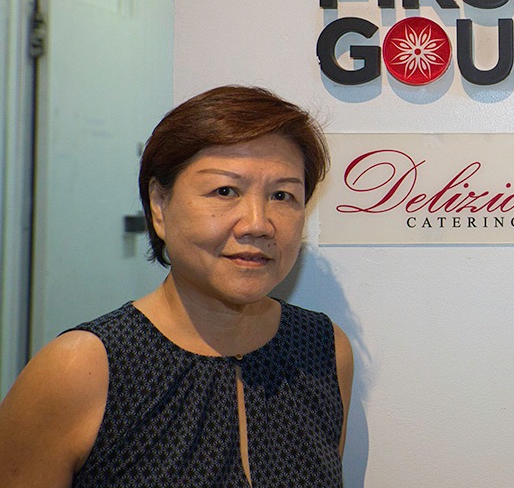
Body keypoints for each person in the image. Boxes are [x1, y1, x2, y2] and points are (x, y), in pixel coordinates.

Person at [0, 85, 354, 486]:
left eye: (282, 195)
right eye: (225, 191)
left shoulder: (322, 349)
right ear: (159, 205)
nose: (258, 224)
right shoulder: (81, 368)